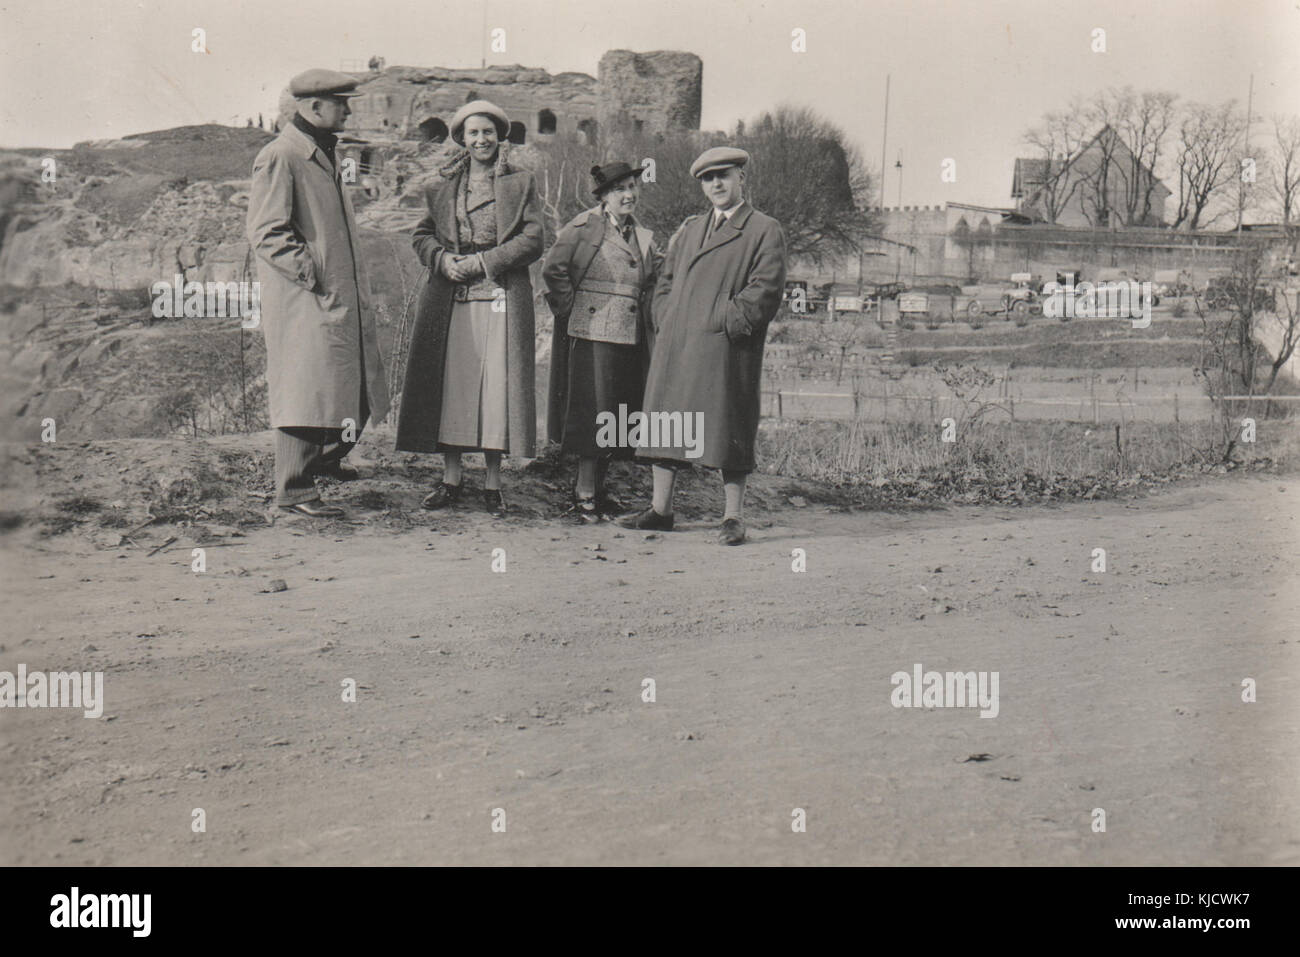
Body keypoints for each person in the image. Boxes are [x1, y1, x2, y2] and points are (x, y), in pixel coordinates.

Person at [621, 147, 787, 545]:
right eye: (708, 178)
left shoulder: (764, 229)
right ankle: (660, 510)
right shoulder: (692, 228)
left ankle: (732, 517)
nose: (716, 184)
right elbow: (666, 278)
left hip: (724, 346)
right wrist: (666, 315)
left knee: (727, 424)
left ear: (741, 178)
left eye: (724, 175)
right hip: (677, 342)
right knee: (667, 420)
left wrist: (725, 321)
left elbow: (765, 290)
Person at [246, 68, 390, 518]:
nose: (348, 109)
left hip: (332, 295)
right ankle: (293, 490)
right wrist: (315, 274)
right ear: (314, 108)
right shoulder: (281, 155)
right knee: (305, 390)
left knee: (350, 386)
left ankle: (325, 463)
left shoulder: (320, 153)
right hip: (306, 299)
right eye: (341, 103)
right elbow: (267, 233)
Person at [395, 100, 543, 517]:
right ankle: (451, 479)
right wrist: (442, 260)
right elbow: (421, 234)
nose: (482, 140)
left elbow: (533, 240)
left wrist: (485, 262)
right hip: (453, 296)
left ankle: (493, 484)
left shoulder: (520, 182)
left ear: (501, 136)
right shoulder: (442, 186)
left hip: (499, 294)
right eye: (473, 133)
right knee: (456, 385)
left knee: (496, 385)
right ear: (461, 138)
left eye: (489, 132)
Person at [543, 161, 660, 522]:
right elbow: (554, 269)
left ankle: (601, 490)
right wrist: (571, 310)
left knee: (618, 414)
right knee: (593, 413)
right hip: (592, 332)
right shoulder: (583, 226)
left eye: (632, 187)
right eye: (619, 189)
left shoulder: (642, 235)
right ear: (605, 196)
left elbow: (653, 278)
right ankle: (584, 492)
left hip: (630, 336)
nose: (629, 194)